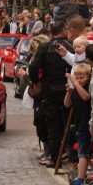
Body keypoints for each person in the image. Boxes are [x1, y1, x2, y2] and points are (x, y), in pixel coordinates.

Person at [29, 21, 73, 168]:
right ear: (64, 31)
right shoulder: (70, 46)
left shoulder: (45, 47)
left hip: (51, 89)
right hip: (69, 88)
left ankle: (55, 157)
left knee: (53, 123)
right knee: (70, 122)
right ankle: (70, 154)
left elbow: (33, 66)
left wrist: (36, 82)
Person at [64, 64, 92, 185]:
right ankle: (86, 176)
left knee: (83, 154)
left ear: (88, 77)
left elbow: (86, 97)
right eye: (77, 77)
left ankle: (80, 181)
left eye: (82, 77)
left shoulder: (87, 87)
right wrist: (69, 92)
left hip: (88, 125)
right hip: (80, 124)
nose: (79, 80)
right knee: (85, 153)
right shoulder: (75, 88)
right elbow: (67, 104)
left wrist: (75, 83)